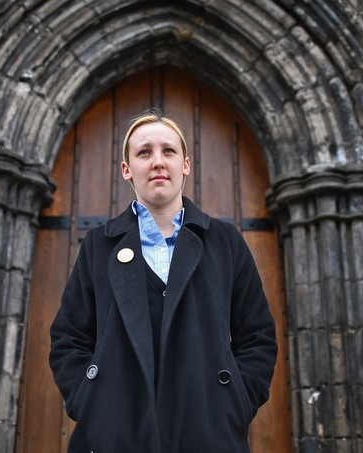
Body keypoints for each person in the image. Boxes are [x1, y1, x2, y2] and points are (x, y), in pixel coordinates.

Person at [49, 109, 277, 452]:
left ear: (185, 165)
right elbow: (69, 338)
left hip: (209, 436)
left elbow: (257, 337)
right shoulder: (99, 245)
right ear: (127, 169)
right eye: (144, 152)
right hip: (113, 437)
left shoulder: (226, 243)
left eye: (168, 151)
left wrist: (235, 402)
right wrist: (91, 400)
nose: (158, 161)